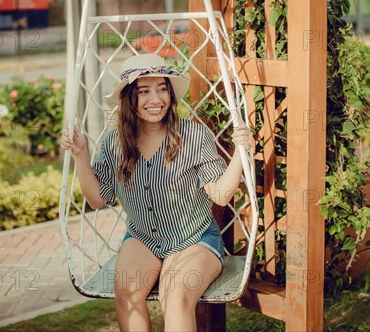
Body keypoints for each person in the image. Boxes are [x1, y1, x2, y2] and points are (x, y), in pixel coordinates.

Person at [61, 54, 253, 331]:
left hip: (194, 238)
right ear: (129, 99)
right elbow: (97, 199)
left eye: (162, 89)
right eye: (144, 91)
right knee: (126, 295)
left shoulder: (193, 136)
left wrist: (240, 153)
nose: (156, 99)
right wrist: (80, 156)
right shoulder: (114, 142)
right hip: (143, 237)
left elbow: (221, 196)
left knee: (175, 296)